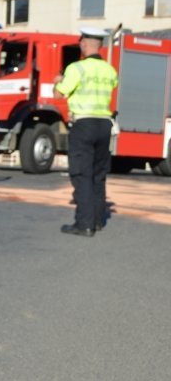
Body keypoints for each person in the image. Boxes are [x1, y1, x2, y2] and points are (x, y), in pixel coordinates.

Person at [53, 27, 118, 237]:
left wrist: (57, 82)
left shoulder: (77, 68)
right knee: (98, 176)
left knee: (82, 174)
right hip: (104, 125)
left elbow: (58, 95)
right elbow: (113, 87)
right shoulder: (110, 70)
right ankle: (98, 221)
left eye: (81, 41)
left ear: (85, 44)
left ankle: (84, 224)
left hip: (84, 125)